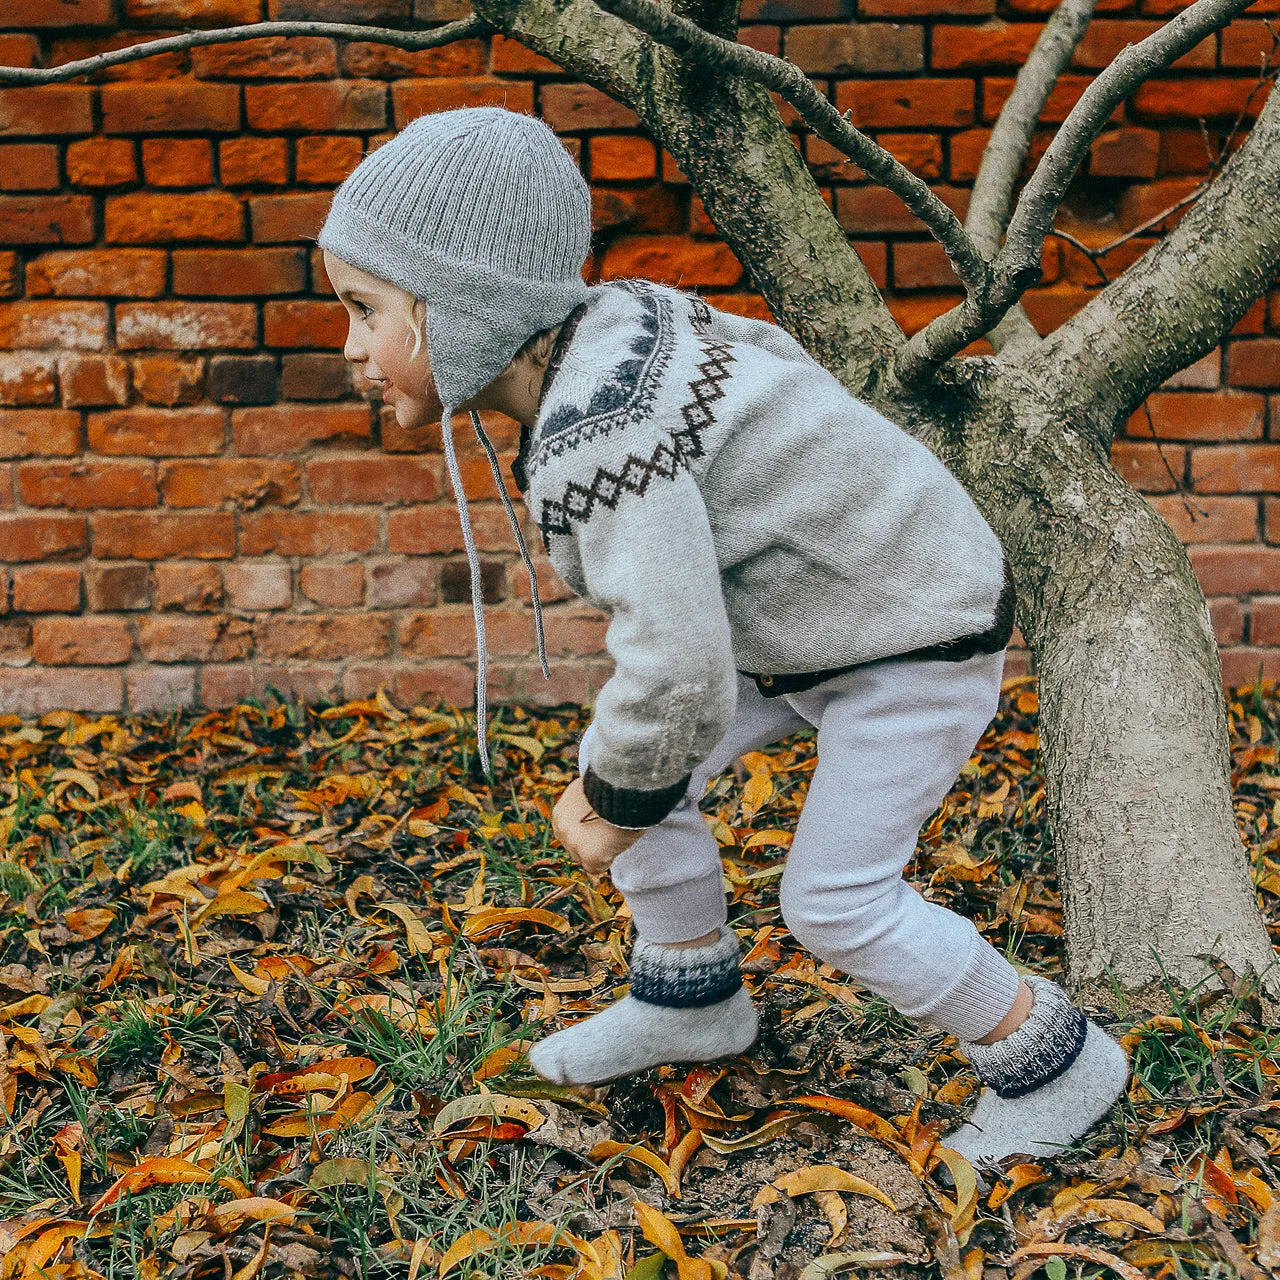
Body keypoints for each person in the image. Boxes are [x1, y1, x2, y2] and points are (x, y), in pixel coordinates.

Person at [317, 105, 1130, 1171]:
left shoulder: (600, 433)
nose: (349, 349)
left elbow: (677, 665)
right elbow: (770, 374)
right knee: (632, 759)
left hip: (908, 640)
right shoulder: (621, 322)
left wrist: (615, 807)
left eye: (363, 310)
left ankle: (1050, 1058)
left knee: (829, 897)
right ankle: (687, 993)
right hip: (822, 622)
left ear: (462, 308)